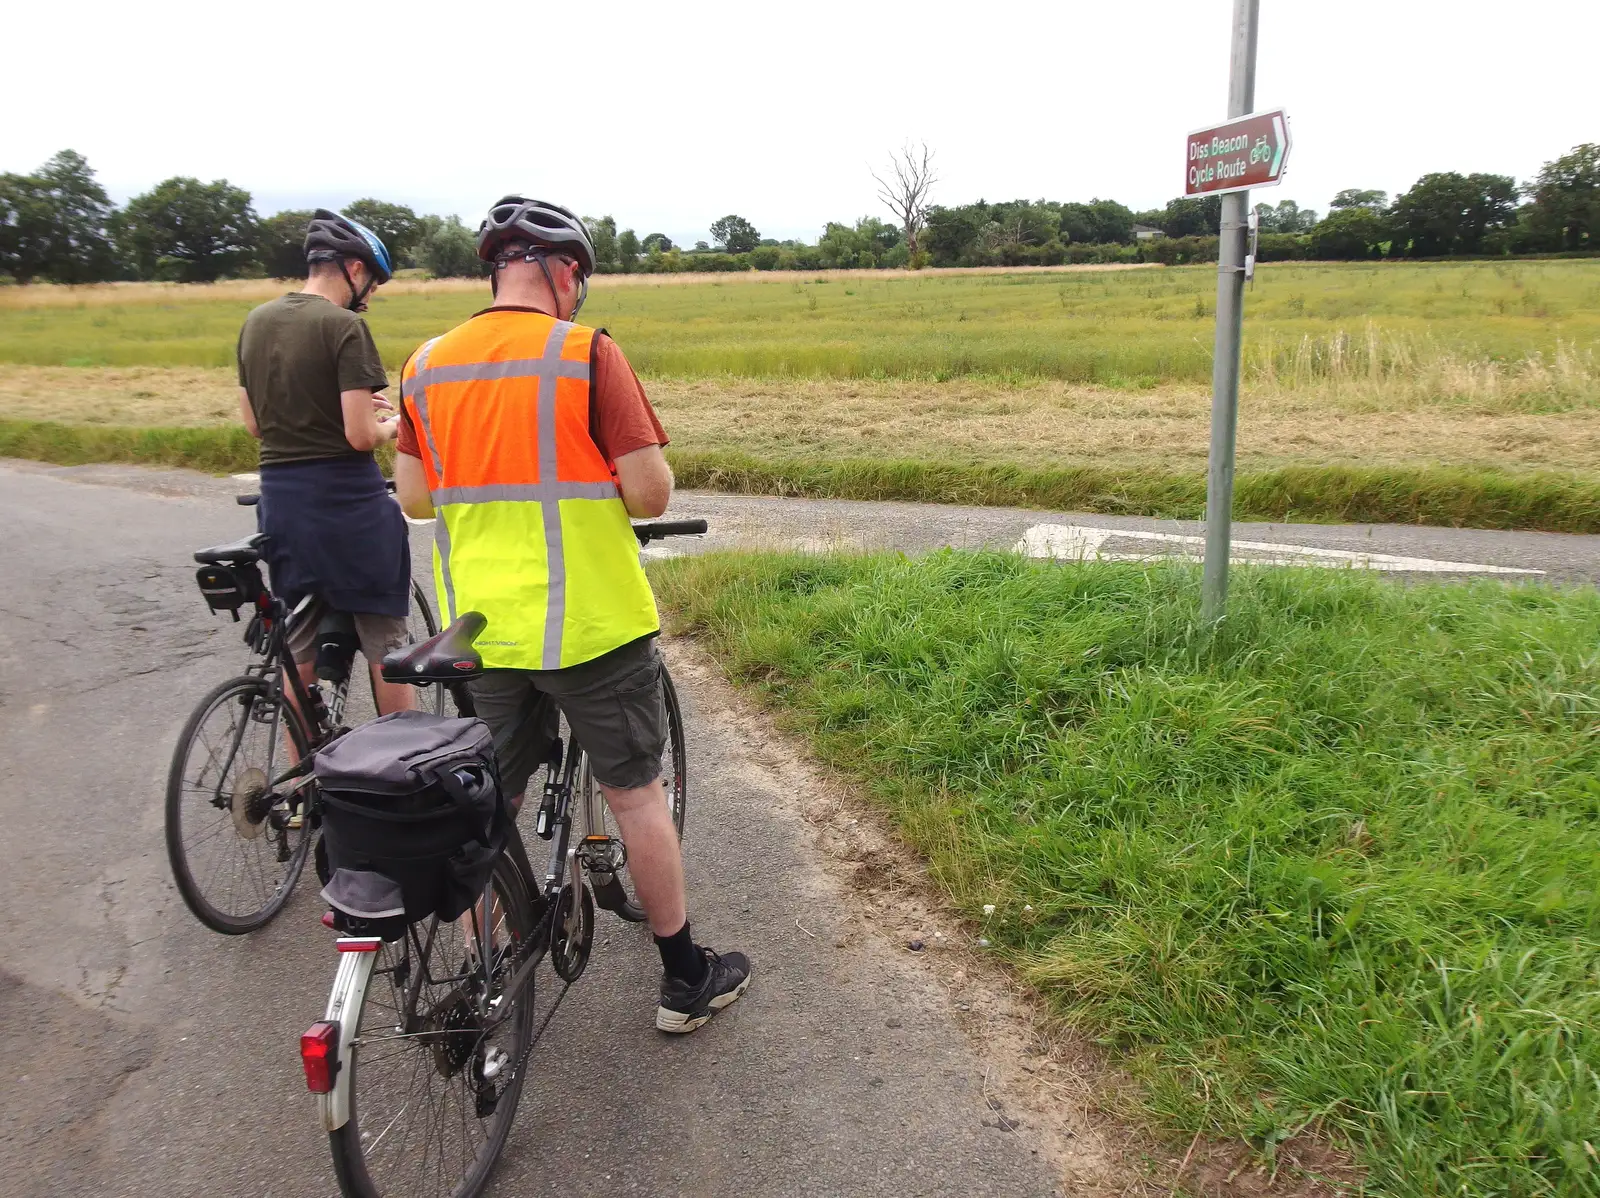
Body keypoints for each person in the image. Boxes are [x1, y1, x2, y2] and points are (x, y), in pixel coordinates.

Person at [392, 196, 750, 1034]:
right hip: (590, 625)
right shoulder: (585, 354)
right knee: (635, 797)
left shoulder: (425, 365)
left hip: (482, 632)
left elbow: (415, 500)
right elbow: (650, 489)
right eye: (578, 278)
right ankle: (684, 979)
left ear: (497, 270)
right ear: (562, 272)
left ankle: (483, 980)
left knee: (492, 806)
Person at [236, 209, 416, 720]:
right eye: (373, 284)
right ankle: (401, 770)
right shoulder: (343, 327)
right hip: (347, 508)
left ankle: (297, 793)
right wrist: (394, 425)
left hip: (283, 507)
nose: (370, 296)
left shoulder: (256, 322)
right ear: (355, 270)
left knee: (302, 649)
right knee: (388, 645)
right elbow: (360, 435)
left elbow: (255, 424)